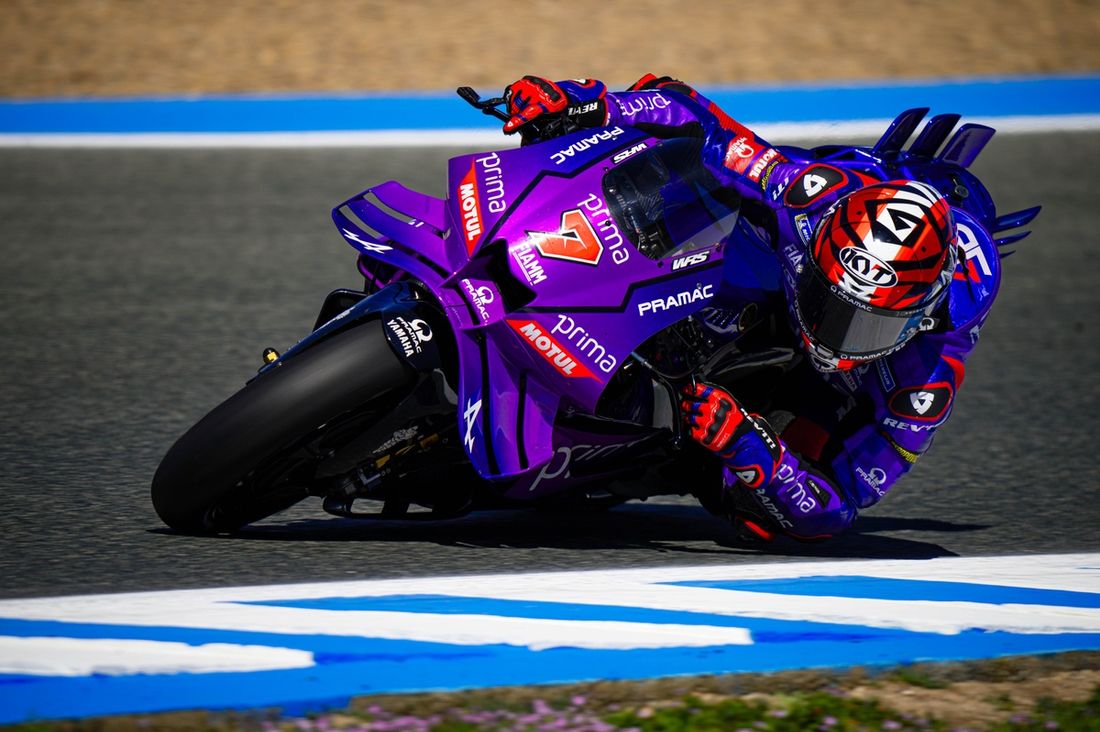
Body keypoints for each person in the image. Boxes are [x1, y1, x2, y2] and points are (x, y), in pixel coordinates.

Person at [499, 74, 1005, 542]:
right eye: (827, 302)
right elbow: (692, 115)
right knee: (683, 183)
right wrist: (589, 104)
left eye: (865, 326)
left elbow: (840, 507)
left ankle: (663, 453)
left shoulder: (929, 373)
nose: (835, 331)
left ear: (918, 319)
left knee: (761, 515)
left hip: (815, 391)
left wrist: (756, 453)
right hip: (779, 258)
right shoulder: (809, 194)